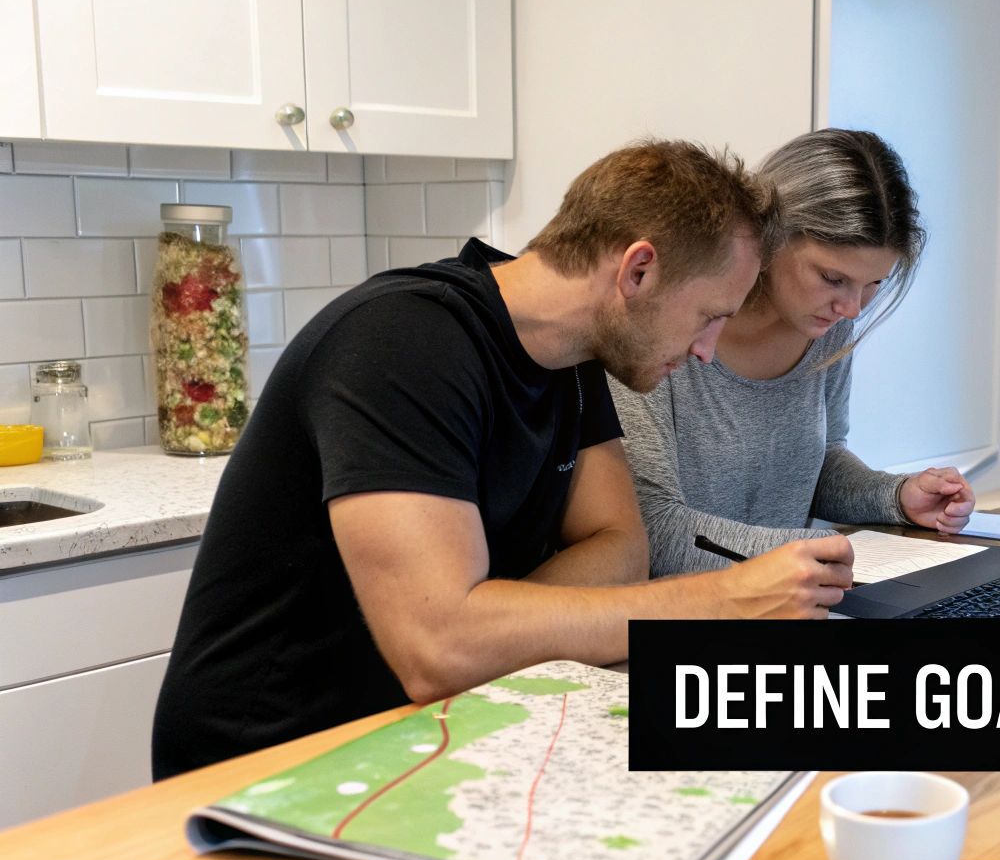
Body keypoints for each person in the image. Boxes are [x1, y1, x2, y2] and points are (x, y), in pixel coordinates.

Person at [152, 141, 855, 779]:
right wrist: (718, 603)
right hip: (273, 758)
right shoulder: (403, 343)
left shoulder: (575, 354)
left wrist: (493, 622)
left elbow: (621, 548)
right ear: (638, 270)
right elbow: (439, 647)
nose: (708, 349)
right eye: (709, 316)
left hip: (434, 729)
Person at [610, 129, 975, 577]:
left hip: (783, 606)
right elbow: (650, 531)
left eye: (874, 283)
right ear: (769, 238)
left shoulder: (829, 324)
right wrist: (814, 550)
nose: (852, 308)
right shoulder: (668, 324)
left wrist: (896, 496)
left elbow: (814, 468)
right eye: (832, 277)